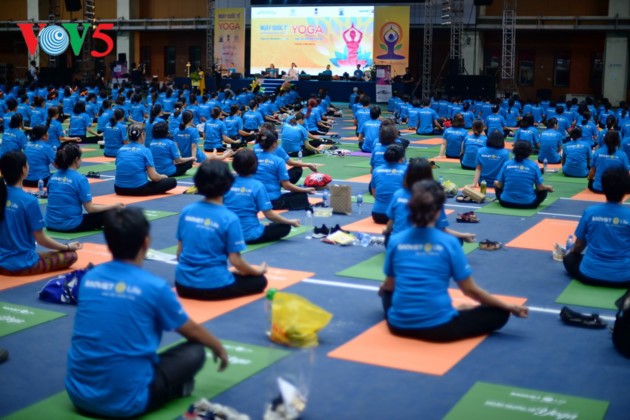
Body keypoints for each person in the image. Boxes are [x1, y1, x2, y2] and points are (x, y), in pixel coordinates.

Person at [65, 207, 228, 418]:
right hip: (127, 403)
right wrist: (218, 347)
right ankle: (172, 391)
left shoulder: (89, 278)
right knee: (196, 351)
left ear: (108, 243)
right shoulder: (154, 287)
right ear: (146, 242)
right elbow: (192, 330)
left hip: (78, 395)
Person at [379, 180, 528, 343]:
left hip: (398, 324)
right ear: (439, 211)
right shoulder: (449, 242)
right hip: (438, 328)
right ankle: (456, 311)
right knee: (499, 313)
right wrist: (508, 307)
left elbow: (389, 286)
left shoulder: (396, 240)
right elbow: (470, 290)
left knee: (387, 290)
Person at [175, 160, 268, 300]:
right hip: (213, 286)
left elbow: (179, 254)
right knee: (260, 281)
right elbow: (235, 261)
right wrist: (256, 271)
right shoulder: (229, 218)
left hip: (182, 285)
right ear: (228, 184)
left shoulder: (186, 211)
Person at [0, 151, 80, 275]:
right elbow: (41, 239)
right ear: (23, 169)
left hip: (2, 262)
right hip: (21, 265)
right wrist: (67, 247)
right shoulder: (29, 201)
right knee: (71, 256)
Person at [562, 167, 630, 288]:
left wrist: (570, 253)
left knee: (569, 259)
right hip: (625, 278)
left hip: (590, 275)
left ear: (603, 187)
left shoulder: (590, 212)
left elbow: (578, 247)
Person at [384, 158, 476, 244]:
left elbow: (391, 222)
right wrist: (463, 235)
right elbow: (441, 230)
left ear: (407, 174)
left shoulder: (398, 194)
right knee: (457, 240)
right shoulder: (433, 196)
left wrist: (387, 233)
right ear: (429, 175)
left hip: (397, 243)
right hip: (424, 245)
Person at [225, 149, 300, 244]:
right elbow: (269, 215)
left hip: (228, 235)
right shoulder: (257, 186)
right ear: (255, 165)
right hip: (250, 235)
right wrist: (289, 221)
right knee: (284, 227)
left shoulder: (226, 183)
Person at [46, 143, 123, 232]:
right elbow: (90, 209)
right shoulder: (80, 179)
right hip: (71, 225)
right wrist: (113, 206)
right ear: (76, 159)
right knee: (112, 212)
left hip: (50, 223)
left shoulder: (53, 177)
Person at [254, 130, 315, 210]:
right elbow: (287, 186)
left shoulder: (252, 158)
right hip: (273, 201)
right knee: (301, 196)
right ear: (274, 144)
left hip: (255, 200)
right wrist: (304, 190)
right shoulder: (279, 161)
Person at [114, 124, 177, 196]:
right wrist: (163, 177)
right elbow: (154, 177)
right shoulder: (145, 150)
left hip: (118, 189)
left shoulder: (120, 150)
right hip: (138, 188)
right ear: (142, 135)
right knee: (172, 181)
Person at [494, 140, 554, 209]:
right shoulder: (533, 165)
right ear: (529, 151)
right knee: (543, 191)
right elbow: (540, 187)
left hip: (505, 202)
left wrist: (495, 183)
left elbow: (499, 185)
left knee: (497, 185)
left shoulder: (507, 164)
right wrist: (548, 187)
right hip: (528, 204)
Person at [371, 144, 407, 224]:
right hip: (398, 216)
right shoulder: (406, 170)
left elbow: (374, 193)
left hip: (378, 215)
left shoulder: (376, 170)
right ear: (401, 158)